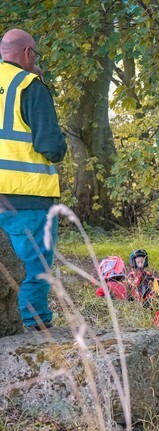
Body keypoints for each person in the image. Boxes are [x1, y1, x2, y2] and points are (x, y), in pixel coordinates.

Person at [0, 29, 68, 331]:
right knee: (36, 265)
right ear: (28, 53)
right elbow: (51, 146)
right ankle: (36, 326)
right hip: (25, 195)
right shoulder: (29, 86)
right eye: (35, 54)